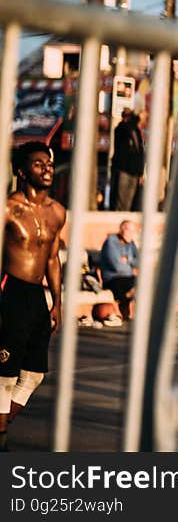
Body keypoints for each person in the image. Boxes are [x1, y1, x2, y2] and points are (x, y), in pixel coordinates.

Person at [0, 142, 67, 451]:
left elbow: (52, 258)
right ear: (21, 171)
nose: (47, 168)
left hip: (37, 297)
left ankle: (1, 425)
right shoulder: (8, 208)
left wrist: (58, 301)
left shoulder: (57, 212)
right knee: (5, 374)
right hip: (9, 290)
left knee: (34, 374)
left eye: (49, 163)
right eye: (38, 164)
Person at [98, 219, 140, 322]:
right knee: (139, 286)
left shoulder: (131, 244)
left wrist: (128, 260)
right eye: (129, 231)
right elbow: (117, 267)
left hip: (127, 278)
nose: (131, 234)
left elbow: (139, 262)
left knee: (146, 284)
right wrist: (132, 269)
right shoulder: (111, 242)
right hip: (113, 279)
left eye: (133, 232)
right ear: (122, 230)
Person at [109, 108, 145, 212]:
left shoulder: (136, 131)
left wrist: (140, 172)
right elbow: (127, 127)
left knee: (129, 200)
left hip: (134, 172)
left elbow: (140, 152)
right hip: (124, 170)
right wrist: (137, 116)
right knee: (121, 198)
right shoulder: (121, 129)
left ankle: (126, 215)